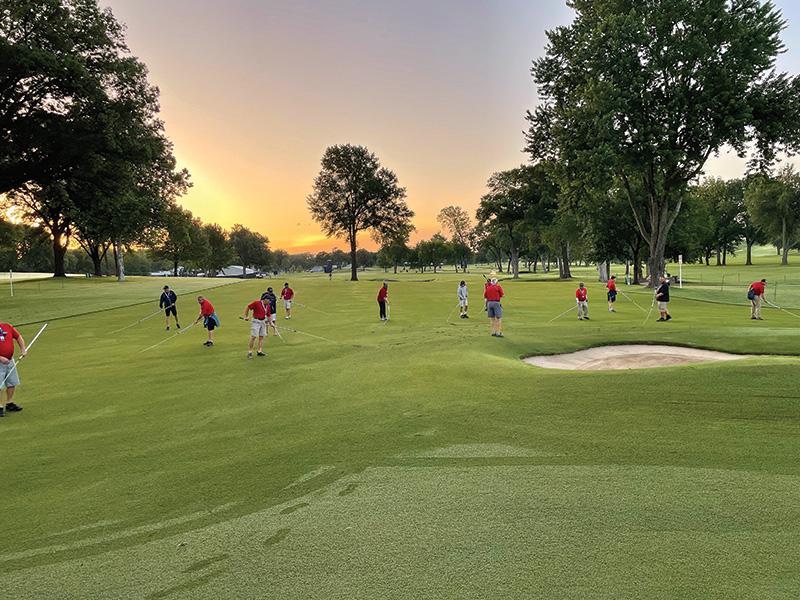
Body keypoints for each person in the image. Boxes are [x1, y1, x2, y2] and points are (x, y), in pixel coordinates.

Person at [0, 321, 27, 417]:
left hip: (10, 361)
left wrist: (22, 349)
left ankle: (9, 403)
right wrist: (0, 358)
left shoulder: (6, 327)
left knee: (12, 382)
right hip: (0, 362)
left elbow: (18, 337)